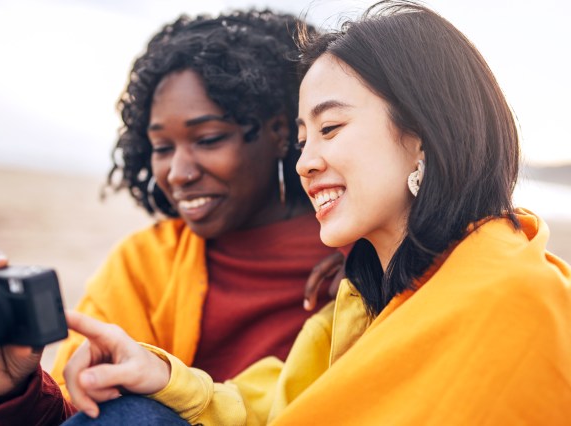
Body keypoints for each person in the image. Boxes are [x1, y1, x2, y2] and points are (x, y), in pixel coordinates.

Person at [59, 1, 571, 424]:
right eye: (303, 141)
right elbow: (281, 405)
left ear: (422, 135)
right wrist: (162, 376)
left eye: (329, 129)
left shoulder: (516, 293)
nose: (305, 163)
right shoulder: (361, 292)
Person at [0, 9, 343, 425]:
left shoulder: (370, 251)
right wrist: (12, 390)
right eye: (161, 147)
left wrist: (370, 271)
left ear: (281, 132)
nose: (178, 172)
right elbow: (84, 415)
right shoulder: (144, 263)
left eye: (207, 139)